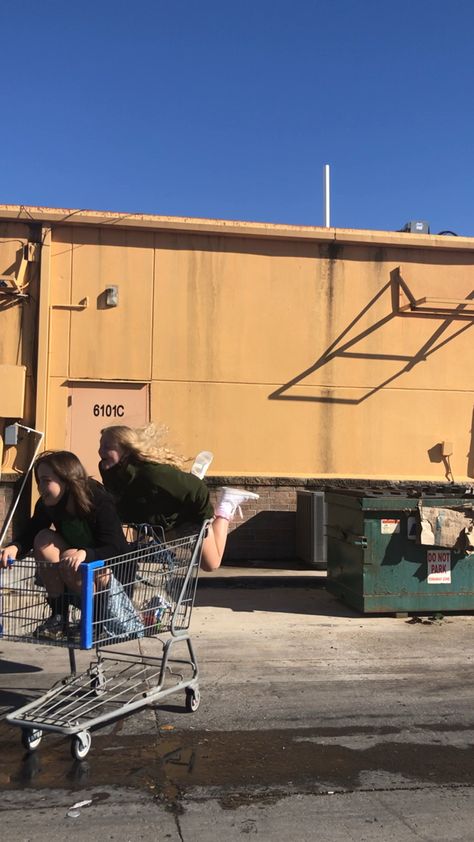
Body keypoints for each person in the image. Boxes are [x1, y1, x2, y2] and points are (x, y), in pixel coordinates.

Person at [0, 450, 129, 640]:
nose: (40, 487)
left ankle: (94, 619)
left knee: (71, 555)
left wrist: (85, 554)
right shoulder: (48, 504)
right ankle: (59, 617)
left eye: (46, 480)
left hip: (111, 575)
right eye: (39, 481)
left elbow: (116, 547)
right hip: (76, 573)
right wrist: (15, 547)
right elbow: (32, 531)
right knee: (43, 538)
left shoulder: (99, 500)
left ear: (66, 479)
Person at [98, 424, 259, 571]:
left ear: (126, 450)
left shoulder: (152, 474)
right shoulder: (108, 470)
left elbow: (198, 490)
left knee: (211, 564)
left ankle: (227, 503)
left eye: (107, 447)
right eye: (100, 445)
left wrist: (204, 519)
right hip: (164, 524)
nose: (100, 451)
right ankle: (192, 481)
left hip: (186, 517)